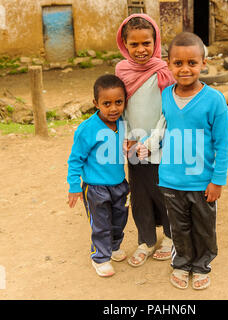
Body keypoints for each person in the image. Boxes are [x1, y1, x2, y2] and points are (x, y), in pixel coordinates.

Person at [146, 32, 228, 289]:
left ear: (203, 63)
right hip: (171, 180)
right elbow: (162, 131)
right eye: (178, 63)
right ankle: (182, 264)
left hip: (203, 182)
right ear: (168, 64)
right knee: (179, 228)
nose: (185, 69)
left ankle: (202, 265)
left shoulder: (214, 100)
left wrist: (217, 180)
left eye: (192, 63)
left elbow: (223, 143)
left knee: (203, 227)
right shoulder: (165, 97)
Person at [115, 14, 175, 267]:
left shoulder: (163, 71)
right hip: (133, 146)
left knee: (165, 192)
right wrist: (127, 137)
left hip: (162, 144)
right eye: (134, 44)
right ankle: (146, 240)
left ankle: (171, 238)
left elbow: (168, 112)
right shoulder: (121, 71)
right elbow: (120, 107)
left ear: (156, 41)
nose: (141, 50)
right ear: (124, 44)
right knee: (139, 195)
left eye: (146, 43)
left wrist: (152, 142)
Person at [67, 74, 130, 277]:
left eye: (118, 102)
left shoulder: (123, 124)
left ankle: (113, 246)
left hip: (119, 184)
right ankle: (100, 257)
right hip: (95, 188)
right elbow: (75, 160)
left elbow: (127, 146)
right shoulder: (87, 129)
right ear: (96, 103)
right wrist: (74, 185)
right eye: (107, 103)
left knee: (120, 219)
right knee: (101, 224)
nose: (113, 108)